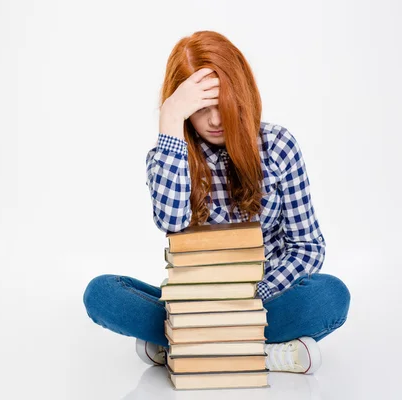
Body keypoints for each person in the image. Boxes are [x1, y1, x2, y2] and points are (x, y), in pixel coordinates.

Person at [83, 31, 350, 374]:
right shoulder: (167, 156)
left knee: (330, 296)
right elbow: (171, 221)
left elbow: (308, 247)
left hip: (264, 298)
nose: (214, 120)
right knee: (102, 293)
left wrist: (253, 297)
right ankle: (257, 352)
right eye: (199, 108)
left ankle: (185, 348)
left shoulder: (278, 146)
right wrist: (169, 120)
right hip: (195, 305)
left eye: (222, 104)